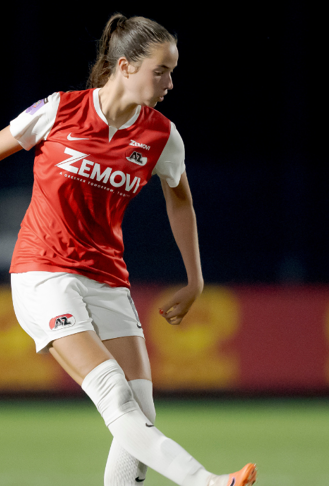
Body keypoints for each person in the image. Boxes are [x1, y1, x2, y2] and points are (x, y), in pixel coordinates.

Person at [0, 13, 257, 486]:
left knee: (140, 409)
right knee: (114, 394)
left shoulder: (162, 136)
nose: (170, 83)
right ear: (125, 66)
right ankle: (205, 481)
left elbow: (181, 201)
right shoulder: (60, 109)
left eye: (172, 72)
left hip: (107, 279)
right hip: (43, 273)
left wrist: (195, 279)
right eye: (161, 71)